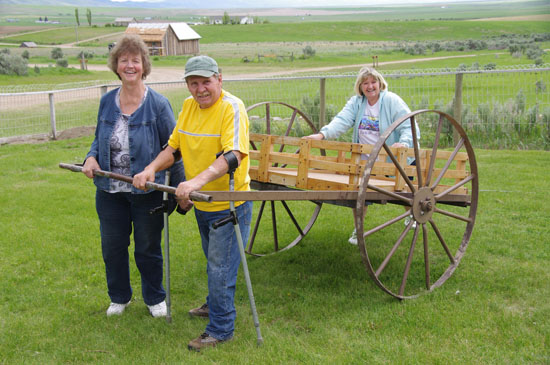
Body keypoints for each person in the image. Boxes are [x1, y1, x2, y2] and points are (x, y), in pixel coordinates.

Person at [133, 55, 252, 351]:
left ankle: (221, 330)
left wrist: (194, 182)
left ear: (220, 79)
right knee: (215, 263)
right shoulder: (188, 107)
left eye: (206, 82)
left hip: (228, 203)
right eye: (193, 83)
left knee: (220, 268)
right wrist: (151, 169)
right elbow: (174, 148)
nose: (200, 90)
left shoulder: (232, 107)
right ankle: (215, 304)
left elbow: (235, 154)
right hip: (201, 202)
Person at [82, 34, 185, 318]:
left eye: (135, 61)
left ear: (144, 66)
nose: (130, 66)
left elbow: (175, 149)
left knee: (148, 248)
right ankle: (119, 297)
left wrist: (178, 190)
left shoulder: (159, 105)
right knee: (112, 247)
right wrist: (90, 158)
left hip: (147, 193)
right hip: (109, 192)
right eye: (124, 60)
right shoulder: (106, 102)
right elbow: (98, 140)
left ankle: (154, 299)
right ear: (116, 66)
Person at [304, 66, 418, 245]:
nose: (370, 86)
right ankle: (359, 229)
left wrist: (404, 144)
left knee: (404, 193)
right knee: (360, 196)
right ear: (360, 86)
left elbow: (409, 124)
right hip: (365, 159)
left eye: (373, 82)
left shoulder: (391, 101)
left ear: (380, 83)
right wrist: (322, 135)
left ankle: (412, 214)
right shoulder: (357, 103)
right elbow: (341, 121)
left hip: (393, 158)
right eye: (365, 83)